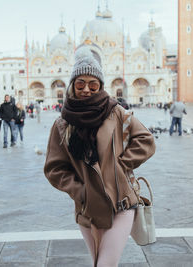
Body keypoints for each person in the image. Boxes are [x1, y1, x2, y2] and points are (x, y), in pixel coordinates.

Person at [44, 45, 156, 267]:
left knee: (106, 264)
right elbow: (54, 169)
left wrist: (120, 165)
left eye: (93, 84)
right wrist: (80, 190)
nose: (87, 89)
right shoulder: (62, 124)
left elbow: (146, 140)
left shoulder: (116, 112)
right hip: (87, 207)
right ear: (73, 85)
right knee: (98, 262)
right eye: (81, 83)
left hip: (121, 202)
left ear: (101, 86)